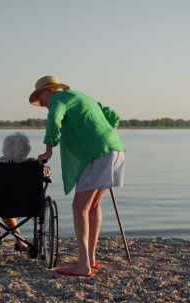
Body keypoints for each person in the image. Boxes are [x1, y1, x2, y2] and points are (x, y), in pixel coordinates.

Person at [30, 75, 125, 278]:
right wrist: (104, 135)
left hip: (98, 154)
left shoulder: (58, 100)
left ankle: (83, 266)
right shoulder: (82, 96)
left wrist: (48, 151)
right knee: (93, 206)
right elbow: (112, 115)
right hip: (116, 149)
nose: (44, 105)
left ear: (49, 91)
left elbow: (54, 120)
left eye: (42, 100)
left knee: (79, 207)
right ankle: (90, 259)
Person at [0, 131, 51, 252]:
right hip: (28, 205)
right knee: (6, 198)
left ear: (5, 148)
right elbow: (48, 172)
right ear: (27, 149)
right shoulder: (34, 166)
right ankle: (18, 240)